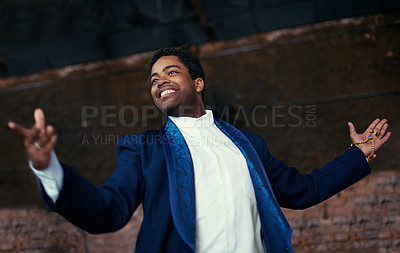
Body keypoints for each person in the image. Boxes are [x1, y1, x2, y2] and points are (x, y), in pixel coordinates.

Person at [8, 48, 391, 253]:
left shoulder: (249, 145)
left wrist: (360, 155)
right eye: (154, 80)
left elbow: (304, 191)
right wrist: (50, 170)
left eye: (170, 73)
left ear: (198, 82)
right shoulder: (143, 148)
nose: (160, 83)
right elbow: (107, 211)